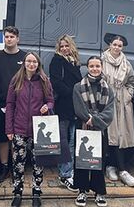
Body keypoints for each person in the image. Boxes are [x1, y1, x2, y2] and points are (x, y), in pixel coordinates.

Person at [5, 52, 54, 207]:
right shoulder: (16, 80)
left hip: (38, 129)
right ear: (24, 63)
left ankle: (36, 193)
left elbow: (51, 100)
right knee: (18, 163)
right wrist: (9, 128)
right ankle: (17, 192)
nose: (31, 64)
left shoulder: (44, 81)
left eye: (34, 62)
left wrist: (48, 106)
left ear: (38, 64)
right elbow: (10, 104)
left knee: (38, 163)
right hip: (19, 129)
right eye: (28, 61)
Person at [72, 56, 114, 207]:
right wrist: (89, 118)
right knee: (82, 161)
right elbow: (79, 108)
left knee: (99, 161)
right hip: (83, 128)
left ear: (101, 67)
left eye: (97, 66)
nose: (94, 69)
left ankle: (99, 191)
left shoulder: (109, 89)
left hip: (100, 130)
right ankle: (82, 190)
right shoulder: (78, 87)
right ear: (87, 67)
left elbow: (109, 112)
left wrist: (95, 120)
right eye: (91, 66)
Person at [101, 36, 134, 187]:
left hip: (122, 104)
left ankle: (119, 168)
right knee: (109, 135)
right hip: (106, 103)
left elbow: (132, 83)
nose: (117, 47)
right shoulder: (102, 60)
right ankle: (112, 167)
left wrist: (127, 96)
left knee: (121, 135)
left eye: (120, 45)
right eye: (115, 44)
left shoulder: (126, 64)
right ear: (109, 45)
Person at [0, 26, 26, 183]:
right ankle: (4, 166)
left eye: (12, 36)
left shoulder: (25, 58)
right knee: (3, 137)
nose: (9, 39)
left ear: (18, 39)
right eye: (7, 36)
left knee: (17, 137)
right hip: (0, 103)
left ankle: (15, 167)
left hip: (20, 105)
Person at [49, 35, 82, 191]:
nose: (63, 49)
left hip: (74, 107)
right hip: (63, 106)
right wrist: (73, 93)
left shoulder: (75, 62)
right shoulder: (57, 61)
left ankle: (70, 171)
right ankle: (64, 173)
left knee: (73, 140)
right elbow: (56, 82)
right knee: (63, 142)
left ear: (71, 46)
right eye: (61, 46)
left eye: (66, 46)